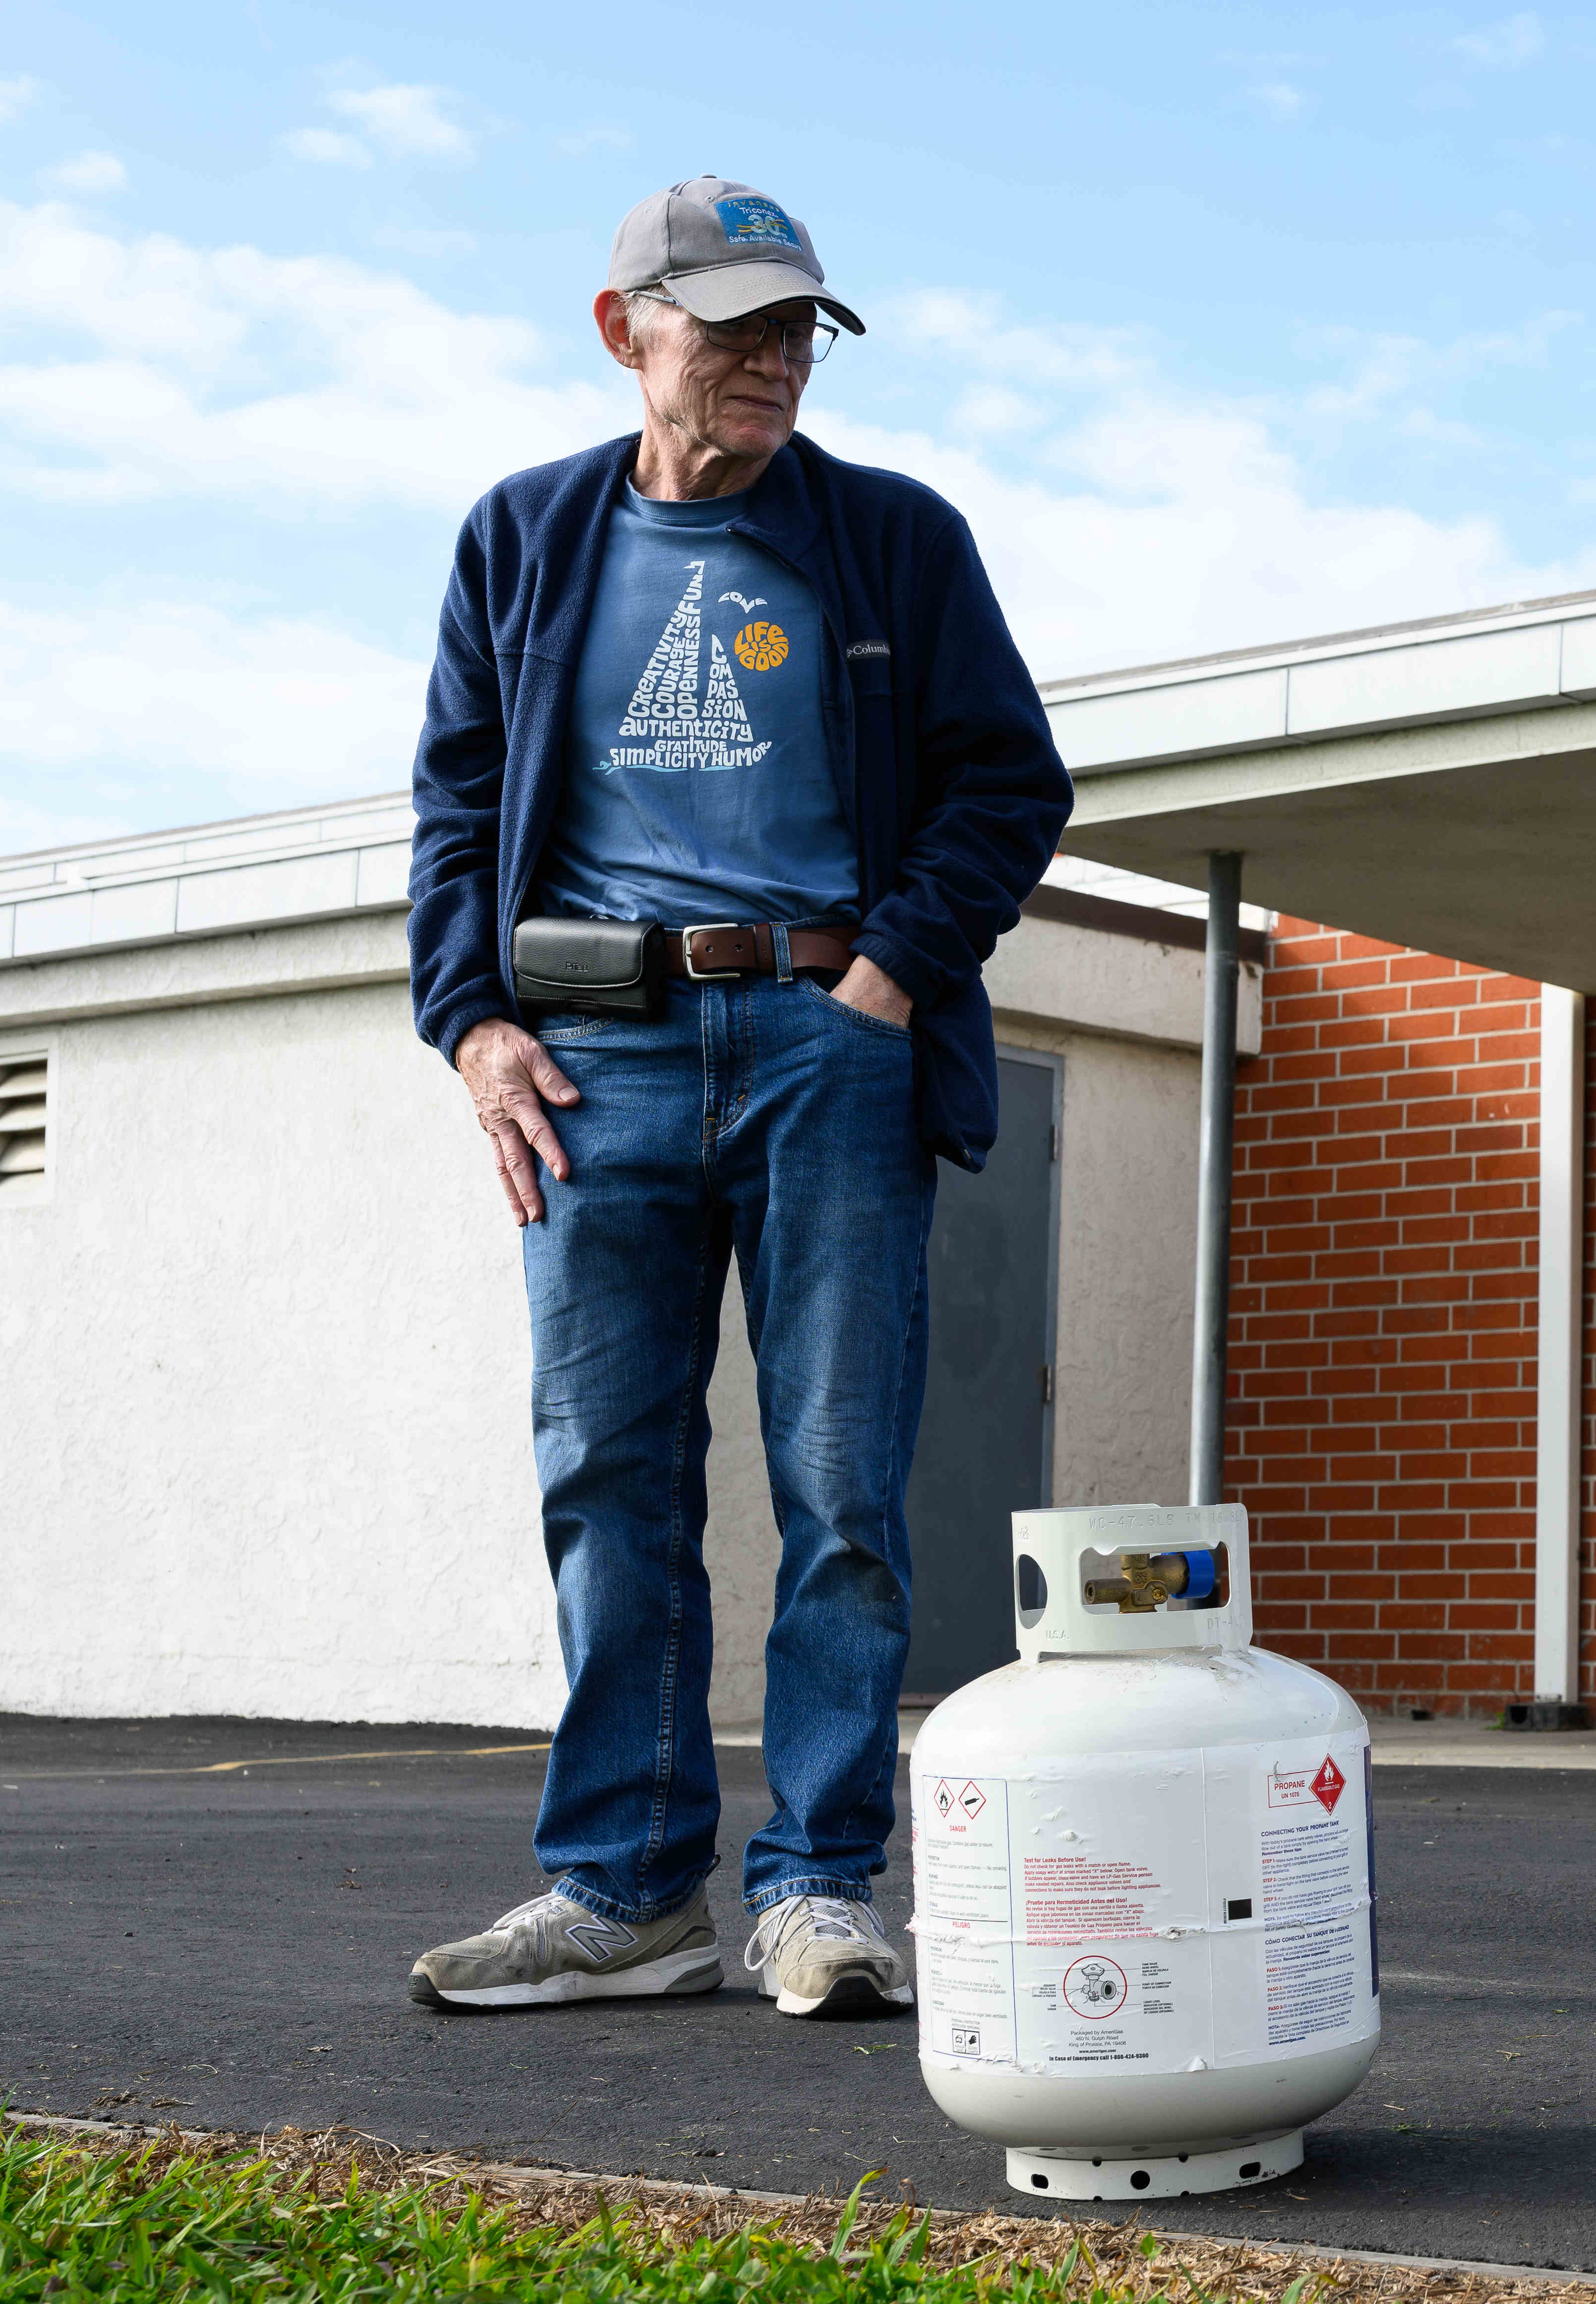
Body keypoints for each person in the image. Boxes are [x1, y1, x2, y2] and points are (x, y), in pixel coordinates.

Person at [402, 177, 1071, 2018]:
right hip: (589, 1054)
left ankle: (820, 1888)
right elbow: (455, 813)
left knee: (842, 1481)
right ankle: (625, 1888)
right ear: (625, 330)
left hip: (823, 1039)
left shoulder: (893, 539)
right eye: (733, 326)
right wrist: (469, 1027)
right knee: (607, 1476)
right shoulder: (523, 540)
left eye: (798, 331)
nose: (774, 359)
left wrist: (887, 977)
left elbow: (1010, 784)